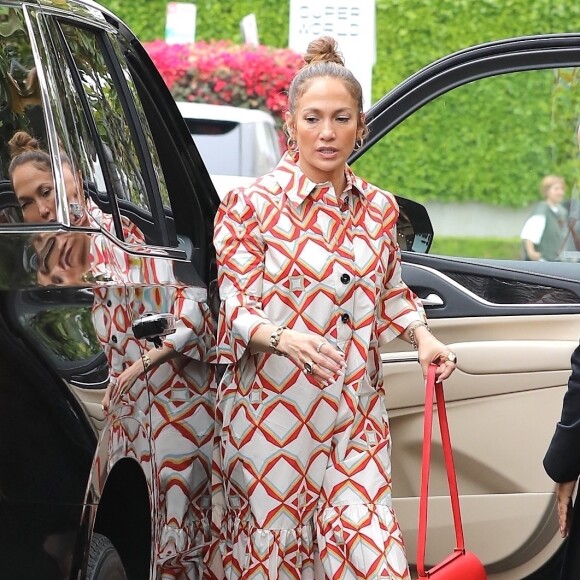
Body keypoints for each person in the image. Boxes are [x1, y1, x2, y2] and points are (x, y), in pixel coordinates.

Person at [212, 36, 457, 580]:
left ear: (360, 127)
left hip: (356, 418)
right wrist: (285, 338)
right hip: (269, 421)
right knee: (276, 562)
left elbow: (391, 292)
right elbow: (235, 306)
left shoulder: (380, 209)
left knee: (375, 556)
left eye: (341, 119)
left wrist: (422, 337)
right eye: (314, 118)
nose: (327, 133)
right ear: (291, 124)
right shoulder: (248, 207)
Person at [520, 175, 568, 261]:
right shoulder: (542, 209)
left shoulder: (561, 211)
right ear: (547, 191)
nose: (560, 192)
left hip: (557, 261)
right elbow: (530, 234)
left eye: (562, 189)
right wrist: (531, 252)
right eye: (556, 189)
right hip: (543, 262)